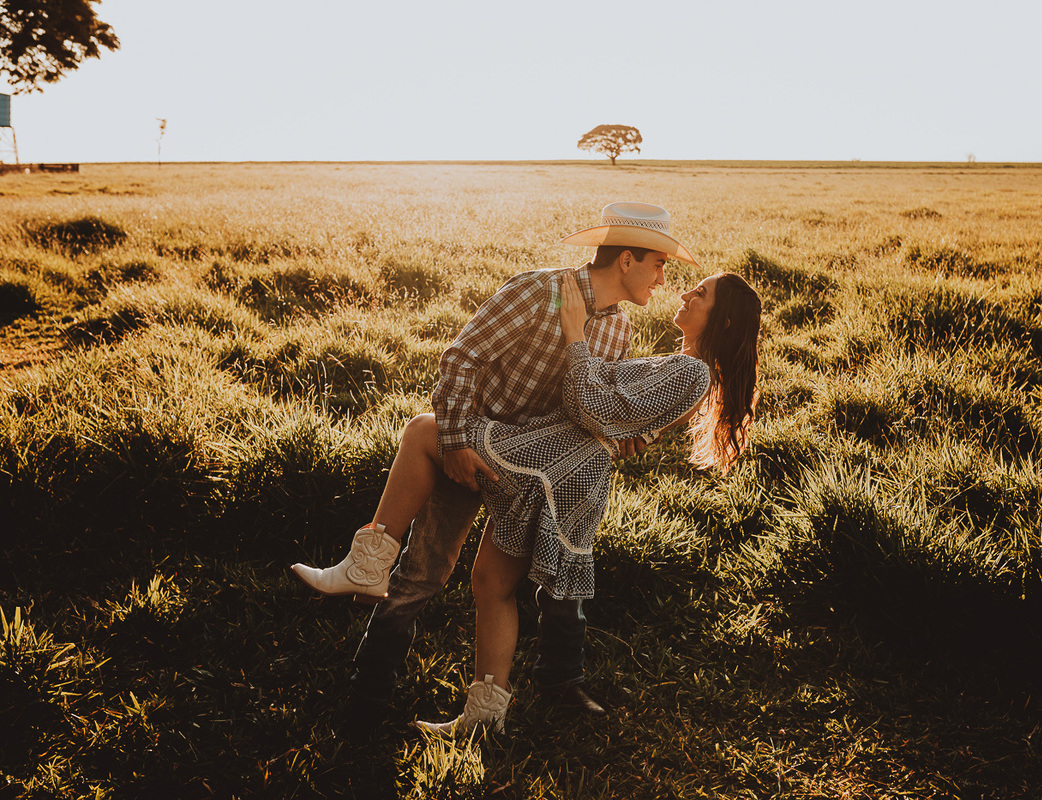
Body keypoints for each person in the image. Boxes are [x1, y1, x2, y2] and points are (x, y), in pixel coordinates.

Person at [292, 202, 700, 730]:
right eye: (658, 265)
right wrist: (459, 443)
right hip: (473, 452)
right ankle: (367, 699)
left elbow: (593, 404)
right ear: (627, 259)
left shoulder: (618, 331)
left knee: (493, 586)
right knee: (421, 575)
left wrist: (626, 432)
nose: (664, 279)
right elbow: (461, 358)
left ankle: (485, 716)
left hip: (528, 475)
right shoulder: (538, 292)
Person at [411, 268, 762, 736]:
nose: (683, 293)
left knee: (425, 433)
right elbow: (611, 413)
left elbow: (590, 408)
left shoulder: (691, 373)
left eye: (700, 294)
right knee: (491, 581)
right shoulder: (680, 367)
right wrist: (624, 424)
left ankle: (371, 559)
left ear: (724, 321)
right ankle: (490, 715)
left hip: (559, 472)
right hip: (564, 469)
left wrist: (576, 335)